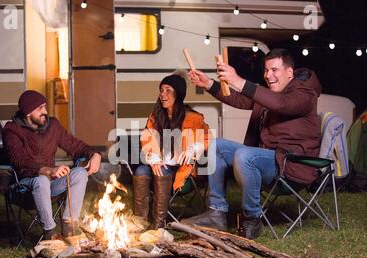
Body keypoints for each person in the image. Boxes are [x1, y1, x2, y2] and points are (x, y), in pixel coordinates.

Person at [182, 48, 322, 239]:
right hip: (268, 160)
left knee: (245, 155)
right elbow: (241, 100)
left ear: (290, 73)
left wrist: (238, 81)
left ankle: (252, 219)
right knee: (215, 146)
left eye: (274, 70)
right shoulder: (272, 94)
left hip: (292, 165)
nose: (268, 75)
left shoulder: (305, 93)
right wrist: (208, 84)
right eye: (266, 70)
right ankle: (217, 213)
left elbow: (282, 104)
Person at [3, 90, 101, 240]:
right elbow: (19, 159)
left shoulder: (52, 126)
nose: (46, 111)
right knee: (41, 180)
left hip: (52, 186)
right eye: (40, 108)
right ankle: (49, 233)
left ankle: (69, 227)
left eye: (44, 107)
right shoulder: (12, 130)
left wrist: (95, 155)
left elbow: (74, 145)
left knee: (80, 173)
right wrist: (48, 170)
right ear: (28, 112)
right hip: (24, 186)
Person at [133, 74, 210, 230]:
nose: (163, 94)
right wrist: (153, 158)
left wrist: (193, 148)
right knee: (141, 170)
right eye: (161, 90)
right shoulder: (155, 117)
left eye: (168, 90)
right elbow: (147, 139)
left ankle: (158, 224)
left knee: (160, 170)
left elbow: (207, 139)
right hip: (160, 165)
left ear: (178, 94)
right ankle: (139, 222)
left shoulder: (193, 118)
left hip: (183, 170)